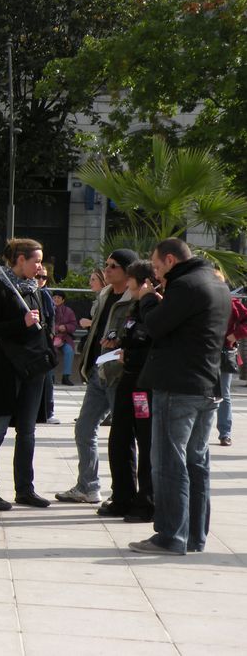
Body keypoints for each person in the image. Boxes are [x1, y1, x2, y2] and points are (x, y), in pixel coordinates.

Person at [129, 238, 230, 555]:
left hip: (178, 386)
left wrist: (147, 300)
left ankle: (170, 535)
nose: (156, 274)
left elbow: (156, 326)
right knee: (196, 462)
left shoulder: (184, 285)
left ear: (170, 260)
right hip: (207, 385)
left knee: (169, 463)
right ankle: (195, 535)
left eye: (157, 267)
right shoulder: (215, 282)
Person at [0, 238, 54, 511]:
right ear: (20, 259)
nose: (40, 267)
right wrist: (21, 323)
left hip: (33, 368)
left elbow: (42, 324)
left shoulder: (34, 289)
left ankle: (25, 488)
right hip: (8, 368)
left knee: (27, 431)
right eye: (36, 261)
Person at [55, 249, 136, 504]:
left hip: (118, 374)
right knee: (84, 428)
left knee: (122, 434)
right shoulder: (104, 294)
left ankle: (126, 492)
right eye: (107, 265)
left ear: (127, 270)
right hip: (97, 371)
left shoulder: (134, 299)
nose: (108, 270)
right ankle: (88, 486)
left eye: (113, 266)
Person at [99, 259, 157, 522]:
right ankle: (122, 496)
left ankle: (146, 501)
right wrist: (119, 343)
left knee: (145, 442)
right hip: (128, 380)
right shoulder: (136, 304)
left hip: (144, 385)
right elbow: (133, 336)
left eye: (132, 282)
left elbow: (152, 344)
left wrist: (130, 354)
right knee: (119, 437)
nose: (129, 287)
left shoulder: (154, 305)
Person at [215, 269, 247, 446]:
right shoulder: (200, 301)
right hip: (203, 353)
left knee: (224, 393)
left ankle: (225, 432)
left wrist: (235, 335)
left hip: (225, 353)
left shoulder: (233, 303)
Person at [36, 265, 57, 424]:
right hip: (33, 342)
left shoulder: (45, 294)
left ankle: (48, 411)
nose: (41, 281)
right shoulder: (28, 291)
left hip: (45, 340)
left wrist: (51, 333)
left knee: (48, 377)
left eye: (44, 278)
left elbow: (51, 318)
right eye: (39, 277)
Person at [52, 291, 78, 385]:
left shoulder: (69, 311)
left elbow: (74, 325)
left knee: (69, 351)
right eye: (54, 297)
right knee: (51, 351)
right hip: (51, 338)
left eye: (59, 297)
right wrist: (57, 328)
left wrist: (66, 327)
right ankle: (51, 377)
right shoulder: (48, 309)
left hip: (65, 338)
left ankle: (66, 377)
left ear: (63, 300)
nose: (56, 299)